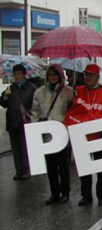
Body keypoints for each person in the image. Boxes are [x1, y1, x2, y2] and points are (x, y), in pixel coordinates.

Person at [64, 64, 102, 206]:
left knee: (100, 168)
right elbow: (70, 110)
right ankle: (86, 196)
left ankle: (101, 195)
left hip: (99, 135)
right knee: (84, 168)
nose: (88, 78)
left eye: (91, 75)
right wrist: (72, 98)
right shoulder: (78, 90)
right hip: (82, 134)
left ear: (98, 77)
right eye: (86, 75)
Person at [31, 64, 74, 205]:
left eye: (55, 75)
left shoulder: (68, 92)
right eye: (50, 75)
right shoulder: (39, 93)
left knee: (63, 165)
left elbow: (74, 111)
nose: (53, 77)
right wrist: (36, 129)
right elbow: (35, 112)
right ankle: (54, 193)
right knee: (50, 165)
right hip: (47, 133)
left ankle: (65, 193)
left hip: (62, 132)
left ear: (60, 76)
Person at [0, 64, 37, 180]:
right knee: (16, 149)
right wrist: (5, 96)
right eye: (15, 74)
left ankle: (27, 170)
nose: (17, 76)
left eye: (19, 74)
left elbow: (35, 105)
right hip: (12, 122)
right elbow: (3, 104)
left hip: (25, 123)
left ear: (24, 75)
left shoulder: (31, 88)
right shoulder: (11, 88)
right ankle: (18, 171)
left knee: (25, 148)